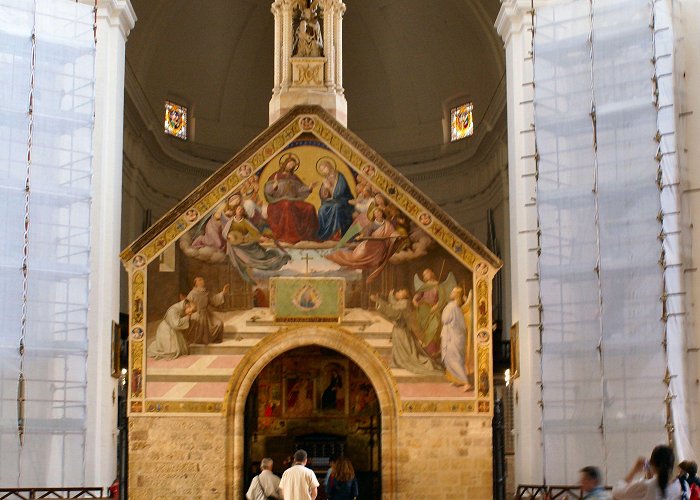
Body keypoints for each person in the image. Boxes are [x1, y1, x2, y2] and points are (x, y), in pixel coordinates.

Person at [370, 289, 443, 375]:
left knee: (409, 354)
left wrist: (378, 301)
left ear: (405, 295)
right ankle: (399, 361)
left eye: (401, 291)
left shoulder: (404, 303)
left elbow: (394, 312)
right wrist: (388, 297)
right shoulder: (402, 302)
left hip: (402, 332)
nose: (398, 291)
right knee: (404, 352)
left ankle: (407, 362)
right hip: (399, 331)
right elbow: (394, 304)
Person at [325, 207, 402, 283]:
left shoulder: (387, 224)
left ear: (382, 213)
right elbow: (365, 234)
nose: (378, 214)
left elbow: (392, 232)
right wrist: (361, 237)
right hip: (369, 246)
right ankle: (339, 258)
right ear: (374, 215)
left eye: (379, 212)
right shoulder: (372, 225)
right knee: (355, 258)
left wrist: (395, 234)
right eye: (376, 213)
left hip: (379, 249)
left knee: (374, 262)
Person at [223, 205, 291, 282]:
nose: (240, 211)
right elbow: (225, 233)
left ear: (243, 212)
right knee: (247, 260)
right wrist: (229, 236)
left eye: (241, 209)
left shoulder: (245, 222)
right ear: (235, 210)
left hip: (245, 242)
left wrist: (260, 238)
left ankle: (277, 260)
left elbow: (253, 232)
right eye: (238, 209)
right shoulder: (230, 222)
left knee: (261, 255)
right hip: (235, 245)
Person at [263, 153, 319, 244]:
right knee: (287, 204)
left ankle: (309, 235)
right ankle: (289, 236)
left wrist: (309, 188)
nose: (291, 166)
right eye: (290, 164)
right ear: (285, 164)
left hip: (293, 201)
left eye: (293, 165)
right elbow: (268, 191)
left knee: (310, 207)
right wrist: (274, 186)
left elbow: (300, 190)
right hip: (278, 202)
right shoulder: (275, 175)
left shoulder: (294, 177)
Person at [412, 269, 456, 357]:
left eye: (427, 273)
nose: (425, 276)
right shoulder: (425, 286)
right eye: (424, 275)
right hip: (423, 311)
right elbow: (418, 295)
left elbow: (442, 299)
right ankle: (429, 350)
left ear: (431, 273)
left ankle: (434, 351)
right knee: (426, 331)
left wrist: (435, 307)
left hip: (434, 311)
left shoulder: (438, 285)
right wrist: (414, 300)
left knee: (434, 329)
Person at [612, 444, 683, 499]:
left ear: (653, 465)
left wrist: (634, 470)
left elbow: (616, 492)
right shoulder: (681, 485)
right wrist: (648, 477)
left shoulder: (647, 486)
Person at [440, 286, 472, 391]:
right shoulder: (456, 307)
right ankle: (458, 380)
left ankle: (466, 383)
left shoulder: (452, 306)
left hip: (452, 338)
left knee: (453, 359)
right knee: (454, 359)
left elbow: (445, 319)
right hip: (455, 337)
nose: (451, 293)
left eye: (453, 292)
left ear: (456, 295)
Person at [316, 157, 354, 241]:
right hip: (332, 201)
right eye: (322, 170)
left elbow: (340, 192)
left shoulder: (339, 176)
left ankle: (337, 234)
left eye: (324, 168)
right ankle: (324, 234)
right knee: (322, 209)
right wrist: (325, 189)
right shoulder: (326, 179)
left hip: (344, 200)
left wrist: (329, 187)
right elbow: (322, 196)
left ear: (329, 166)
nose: (324, 171)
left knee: (336, 207)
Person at [186, 277, 228, 345]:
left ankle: (213, 339)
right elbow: (187, 305)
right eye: (199, 280)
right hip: (197, 314)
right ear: (196, 283)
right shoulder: (192, 293)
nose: (202, 281)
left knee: (219, 323)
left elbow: (214, 300)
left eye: (202, 280)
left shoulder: (206, 292)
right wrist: (190, 311)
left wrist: (223, 293)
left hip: (207, 314)